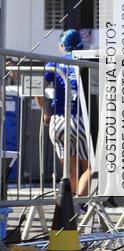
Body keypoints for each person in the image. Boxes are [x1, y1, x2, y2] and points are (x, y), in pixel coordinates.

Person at [36, 29, 89, 196]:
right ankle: (80, 205)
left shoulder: (54, 62)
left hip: (58, 121)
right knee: (91, 168)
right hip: (80, 120)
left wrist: (46, 111)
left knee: (69, 172)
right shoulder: (84, 60)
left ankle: (70, 210)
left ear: (62, 46)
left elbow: (37, 89)